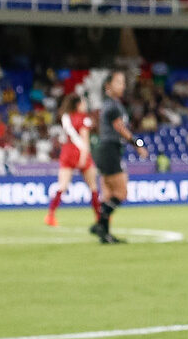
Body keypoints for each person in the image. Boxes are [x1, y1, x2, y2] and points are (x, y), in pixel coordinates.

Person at [90, 69, 148, 245]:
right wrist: (138, 145)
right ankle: (100, 224)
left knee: (108, 194)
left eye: (123, 82)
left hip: (105, 150)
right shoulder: (113, 106)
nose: (123, 86)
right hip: (110, 150)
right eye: (119, 82)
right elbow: (121, 129)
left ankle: (105, 234)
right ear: (108, 86)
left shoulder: (111, 104)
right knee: (121, 193)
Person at [46, 92, 100, 228]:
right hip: (80, 153)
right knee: (93, 187)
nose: (85, 105)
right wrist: (83, 158)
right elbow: (85, 140)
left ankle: (51, 215)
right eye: (83, 103)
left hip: (67, 152)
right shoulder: (83, 118)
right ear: (78, 105)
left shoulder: (66, 118)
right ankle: (100, 217)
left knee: (62, 186)